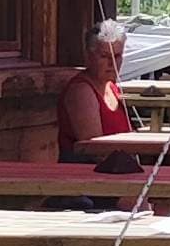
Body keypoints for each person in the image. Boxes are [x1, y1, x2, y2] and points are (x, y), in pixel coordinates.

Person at [57, 16, 140, 163]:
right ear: (89, 56)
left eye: (117, 56)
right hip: (90, 177)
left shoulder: (112, 87)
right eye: (105, 56)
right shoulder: (82, 91)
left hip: (120, 171)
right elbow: (95, 149)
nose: (112, 63)